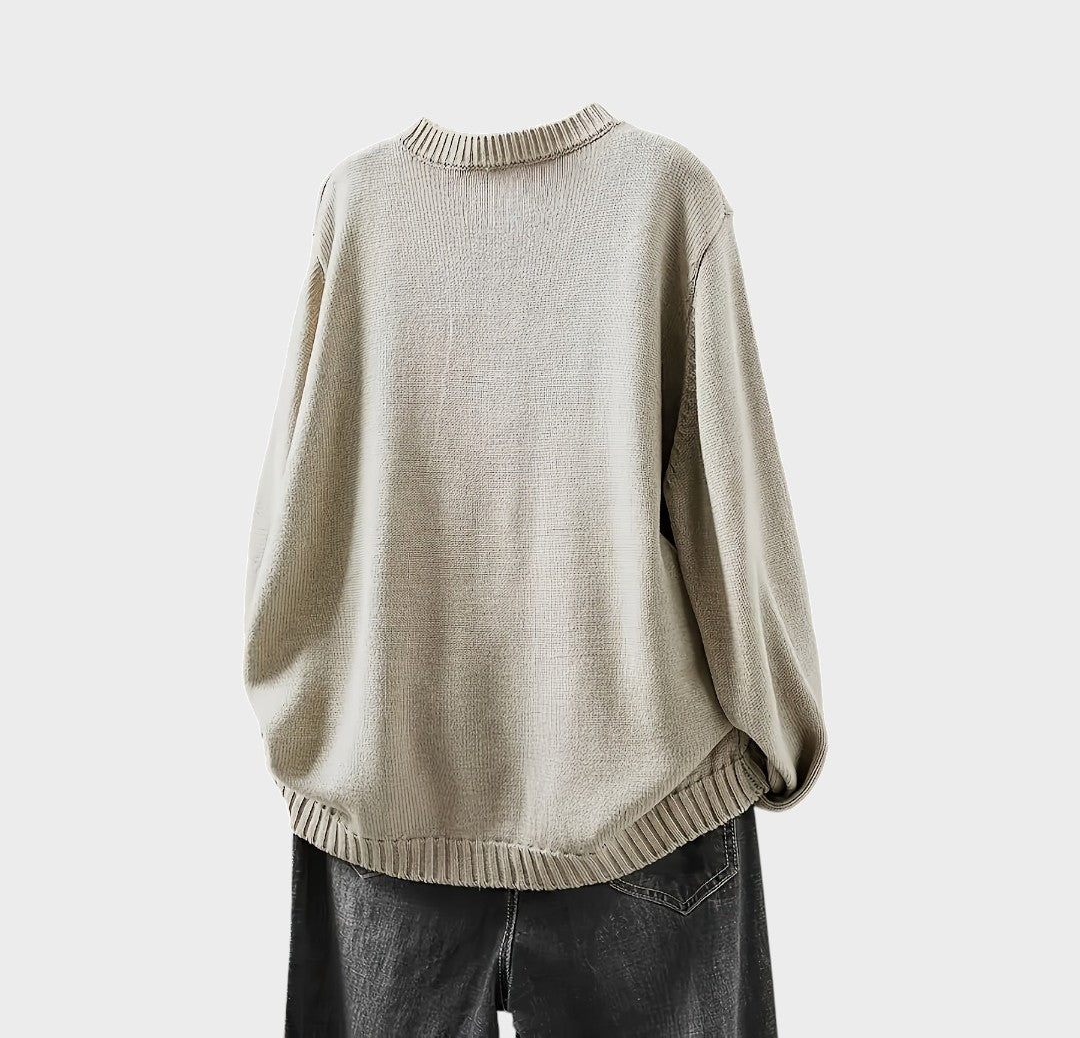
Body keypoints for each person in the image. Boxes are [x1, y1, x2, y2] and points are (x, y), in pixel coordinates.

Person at [242, 102, 828, 1036]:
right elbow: (732, 514)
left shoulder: (358, 206)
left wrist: (311, 728)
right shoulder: (666, 195)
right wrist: (784, 735)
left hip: (390, 799)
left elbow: (295, 531)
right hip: (648, 807)